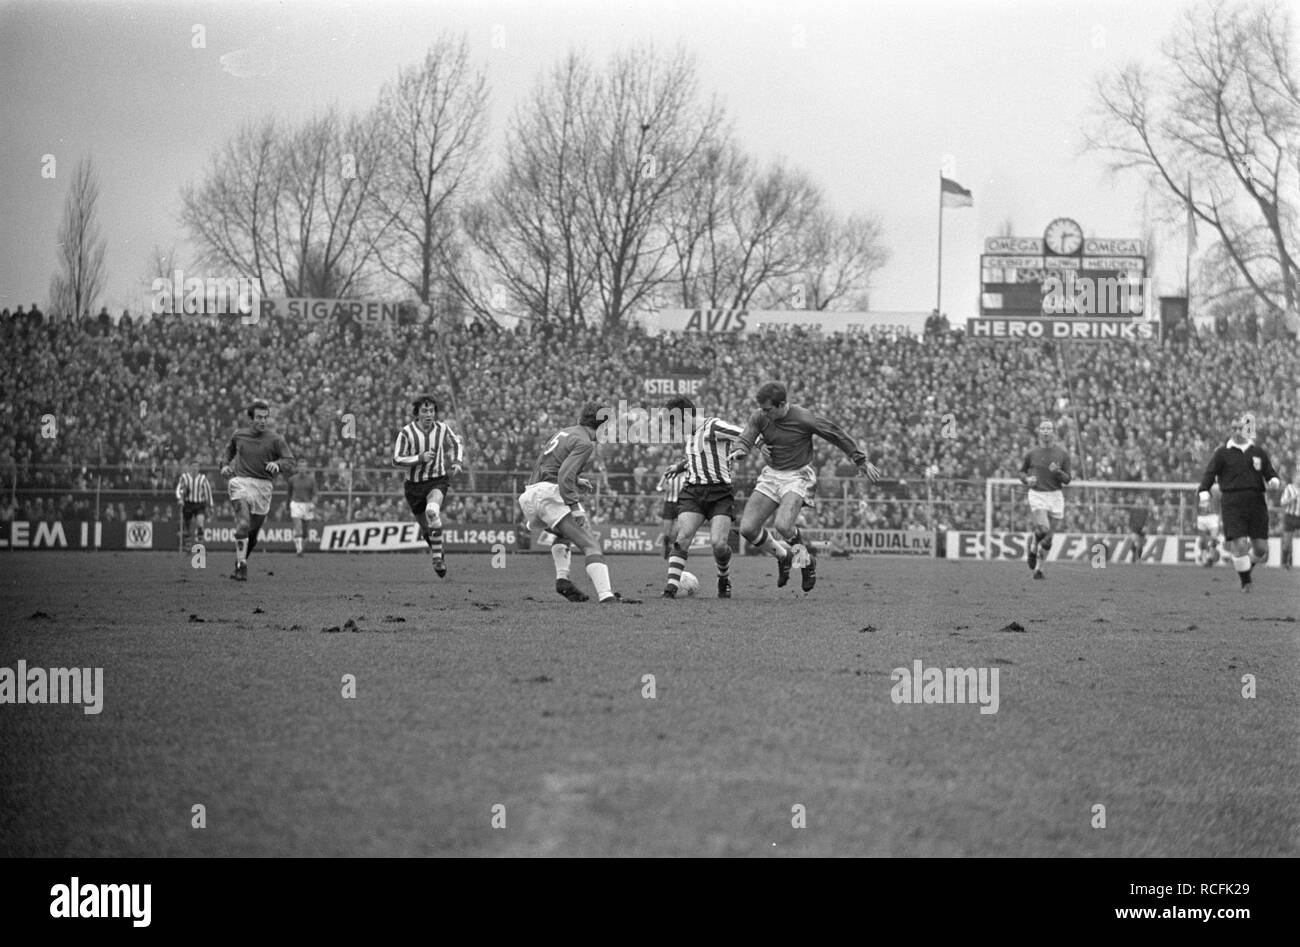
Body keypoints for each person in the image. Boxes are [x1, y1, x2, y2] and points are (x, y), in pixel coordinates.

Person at [728, 382, 880, 592]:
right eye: (762, 409)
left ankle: (806, 562)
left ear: (782, 405)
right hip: (772, 475)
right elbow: (747, 436)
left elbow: (835, 433)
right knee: (747, 529)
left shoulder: (803, 418)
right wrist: (741, 450)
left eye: (768, 409)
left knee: (783, 526)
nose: (763, 413)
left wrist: (860, 460)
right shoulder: (760, 416)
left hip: (797, 475)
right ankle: (783, 557)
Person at [518, 401, 638, 604]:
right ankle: (607, 596)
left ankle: (562, 580)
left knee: (565, 536)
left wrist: (576, 480)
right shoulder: (585, 443)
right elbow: (564, 475)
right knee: (591, 545)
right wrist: (575, 508)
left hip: (531, 494)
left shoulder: (564, 432)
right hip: (550, 495)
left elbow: (549, 466)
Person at [659, 396, 747, 599]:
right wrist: (679, 467)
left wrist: (748, 448)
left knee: (718, 544)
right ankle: (670, 590)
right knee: (682, 538)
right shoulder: (690, 436)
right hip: (693, 492)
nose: (674, 428)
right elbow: (697, 457)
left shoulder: (714, 426)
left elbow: (745, 435)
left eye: (675, 422)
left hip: (720, 493)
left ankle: (723, 577)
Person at [1197, 413, 1282, 591]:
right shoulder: (1222, 453)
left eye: (1240, 428)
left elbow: (1270, 473)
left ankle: (1245, 570)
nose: (1236, 431)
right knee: (1241, 543)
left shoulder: (1258, 452)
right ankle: (1246, 582)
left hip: (1257, 502)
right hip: (1232, 502)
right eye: (1233, 428)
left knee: (1260, 548)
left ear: (1247, 429)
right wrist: (1204, 493)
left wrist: (1274, 481)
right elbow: (1209, 475)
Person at [220, 400, 295, 581]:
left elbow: (289, 460)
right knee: (243, 525)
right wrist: (223, 466)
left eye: (265, 417)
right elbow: (228, 453)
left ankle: (240, 561)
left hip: (263, 487)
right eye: (259, 417)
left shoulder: (275, 439)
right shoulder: (239, 435)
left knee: (252, 535)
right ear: (251, 418)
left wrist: (277, 465)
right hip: (241, 482)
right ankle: (242, 566)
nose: (263, 421)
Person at [393, 394, 463, 578]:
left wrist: (457, 462)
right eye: (424, 410)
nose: (429, 414)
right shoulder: (406, 433)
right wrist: (419, 458)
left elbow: (456, 444)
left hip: (437, 481)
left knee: (433, 511)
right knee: (426, 530)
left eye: (431, 410)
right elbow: (397, 459)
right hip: (413, 486)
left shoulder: (442, 429)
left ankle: (437, 558)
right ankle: (439, 552)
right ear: (417, 413)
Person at [1020, 420, 1072, 580]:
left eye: (1049, 428)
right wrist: (1027, 480)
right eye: (1043, 428)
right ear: (1039, 431)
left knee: (1049, 539)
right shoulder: (1031, 453)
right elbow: (1021, 473)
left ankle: (1039, 569)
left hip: (1056, 496)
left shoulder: (1062, 454)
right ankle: (1034, 546)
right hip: (1038, 494)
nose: (1046, 431)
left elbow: (1068, 479)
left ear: (1053, 431)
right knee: (1043, 528)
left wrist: (1058, 472)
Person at [175, 459, 213, 550]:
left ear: (199, 468)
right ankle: (188, 546)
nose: (195, 468)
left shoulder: (203, 478)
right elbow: (178, 489)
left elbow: (208, 492)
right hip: (188, 504)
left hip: (199, 504)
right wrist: (180, 498)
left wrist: (211, 505)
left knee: (200, 524)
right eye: (194, 466)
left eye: (197, 466)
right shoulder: (184, 477)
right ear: (190, 467)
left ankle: (200, 546)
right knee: (187, 525)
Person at [655, 462, 686, 560]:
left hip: (680, 505)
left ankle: (675, 551)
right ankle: (666, 549)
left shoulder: (686, 475)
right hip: (669, 504)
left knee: (677, 530)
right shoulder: (668, 473)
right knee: (667, 533)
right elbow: (658, 487)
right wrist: (663, 488)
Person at [286, 466, 319, 556]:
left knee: (305, 532)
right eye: (300, 467)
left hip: (307, 505)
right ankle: (299, 550)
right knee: (298, 527)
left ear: (306, 468)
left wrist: (313, 503)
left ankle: (300, 546)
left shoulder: (311, 480)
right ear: (297, 468)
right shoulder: (292, 479)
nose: (302, 469)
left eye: (304, 467)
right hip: (295, 504)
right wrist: (287, 506)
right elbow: (289, 494)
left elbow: (315, 493)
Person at [1196, 486, 1225, 567]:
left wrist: (1221, 518)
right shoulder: (1200, 489)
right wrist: (1195, 518)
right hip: (1201, 517)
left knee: (1214, 537)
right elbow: (1195, 504)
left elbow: (1221, 505)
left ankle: (1210, 557)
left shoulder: (1218, 490)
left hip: (1213, 516)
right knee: (1203, 540)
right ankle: (1204, 557)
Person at [1280, 471, 1300, 570]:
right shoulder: (1289, 488)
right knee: (1287, 542)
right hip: (1290, 517)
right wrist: (1293, 498)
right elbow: (1282, 502)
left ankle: (1291, 562)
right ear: (1294, 478)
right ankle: (1285, 563)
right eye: (1298, 476)